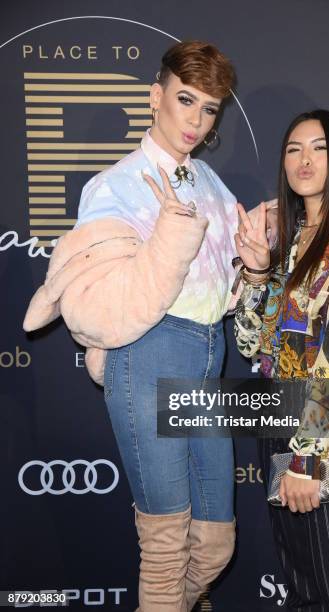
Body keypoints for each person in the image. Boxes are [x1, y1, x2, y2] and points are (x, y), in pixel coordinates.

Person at [23, 40, 239, 612]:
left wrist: (254, 264)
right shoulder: (114, 185)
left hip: (207, 357)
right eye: (186, 100)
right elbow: (95, 302)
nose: (196, 119)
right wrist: (170, 234)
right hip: (150, 354)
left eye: (210, 108)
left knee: (214, 543)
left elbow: (227, 289)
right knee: (167, 546)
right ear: (155, 97)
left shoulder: (213, 187)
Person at [234, 109, 329, 610]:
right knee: (301, 585)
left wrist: (307, 459)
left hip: (326, 425)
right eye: (294, 148)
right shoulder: (294, 237)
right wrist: (256, 273)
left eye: (319, 148)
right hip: (280, 413)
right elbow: (252, 344)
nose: (304, 159)